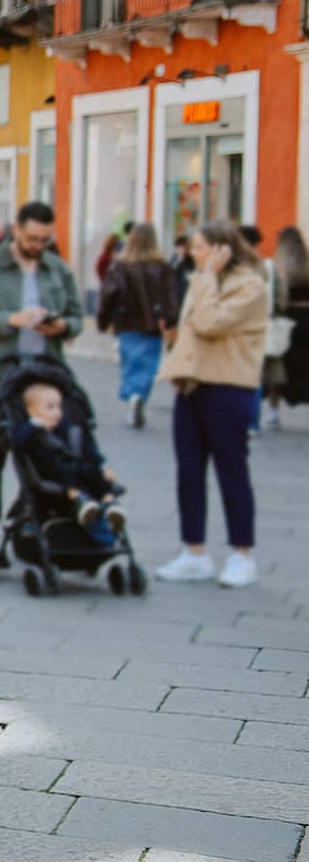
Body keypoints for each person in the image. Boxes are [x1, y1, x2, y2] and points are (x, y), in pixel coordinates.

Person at [0, 201, 83, 568]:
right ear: (16, 230)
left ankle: (39, 530)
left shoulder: (57, 269)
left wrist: (62, 327)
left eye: (44, 239)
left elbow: (76, 316)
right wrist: (11, 319)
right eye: (31, 238)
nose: (38, 245)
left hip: (46, 376)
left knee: (50, 456)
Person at [155, 219, 270, 589]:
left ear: (223, 249)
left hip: (228, 386)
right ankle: (195, 551)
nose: (193, 254)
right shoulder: (202, 279)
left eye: (201, 247)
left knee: (231, 470)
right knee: (188, 469)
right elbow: (192, 329)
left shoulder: (251, 287)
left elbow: (207, 323)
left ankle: (242, 554)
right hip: (192, 385)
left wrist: (205, 277)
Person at [11, 381, 128, 542]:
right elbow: (18, 444)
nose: (57, 412)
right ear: (32, 411)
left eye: (59, 406)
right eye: (50, 407)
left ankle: (109, 503)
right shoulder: (32, 433)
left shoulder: (68, 429)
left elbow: (88, 450)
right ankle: (81, 500)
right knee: (66, 471)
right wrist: (34, 425)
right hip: (54, 473)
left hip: (78, 468)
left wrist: (102, 467)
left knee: (91, 469)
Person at [96, 222, 179, 429]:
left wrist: (103, 320)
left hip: (127, 321)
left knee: (130, 360)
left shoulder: (120, 266)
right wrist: (171, 320)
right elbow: (171, 296)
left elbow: (109, 295)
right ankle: (139, 393)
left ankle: (132, 394)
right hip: (153, 322)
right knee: (149, 363)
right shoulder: (163, 267)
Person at [272, 226, 309, 428]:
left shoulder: (282, 267)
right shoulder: (306, 264)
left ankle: (273, 412)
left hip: (290, 321)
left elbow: (282, 300)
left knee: (281, 366)